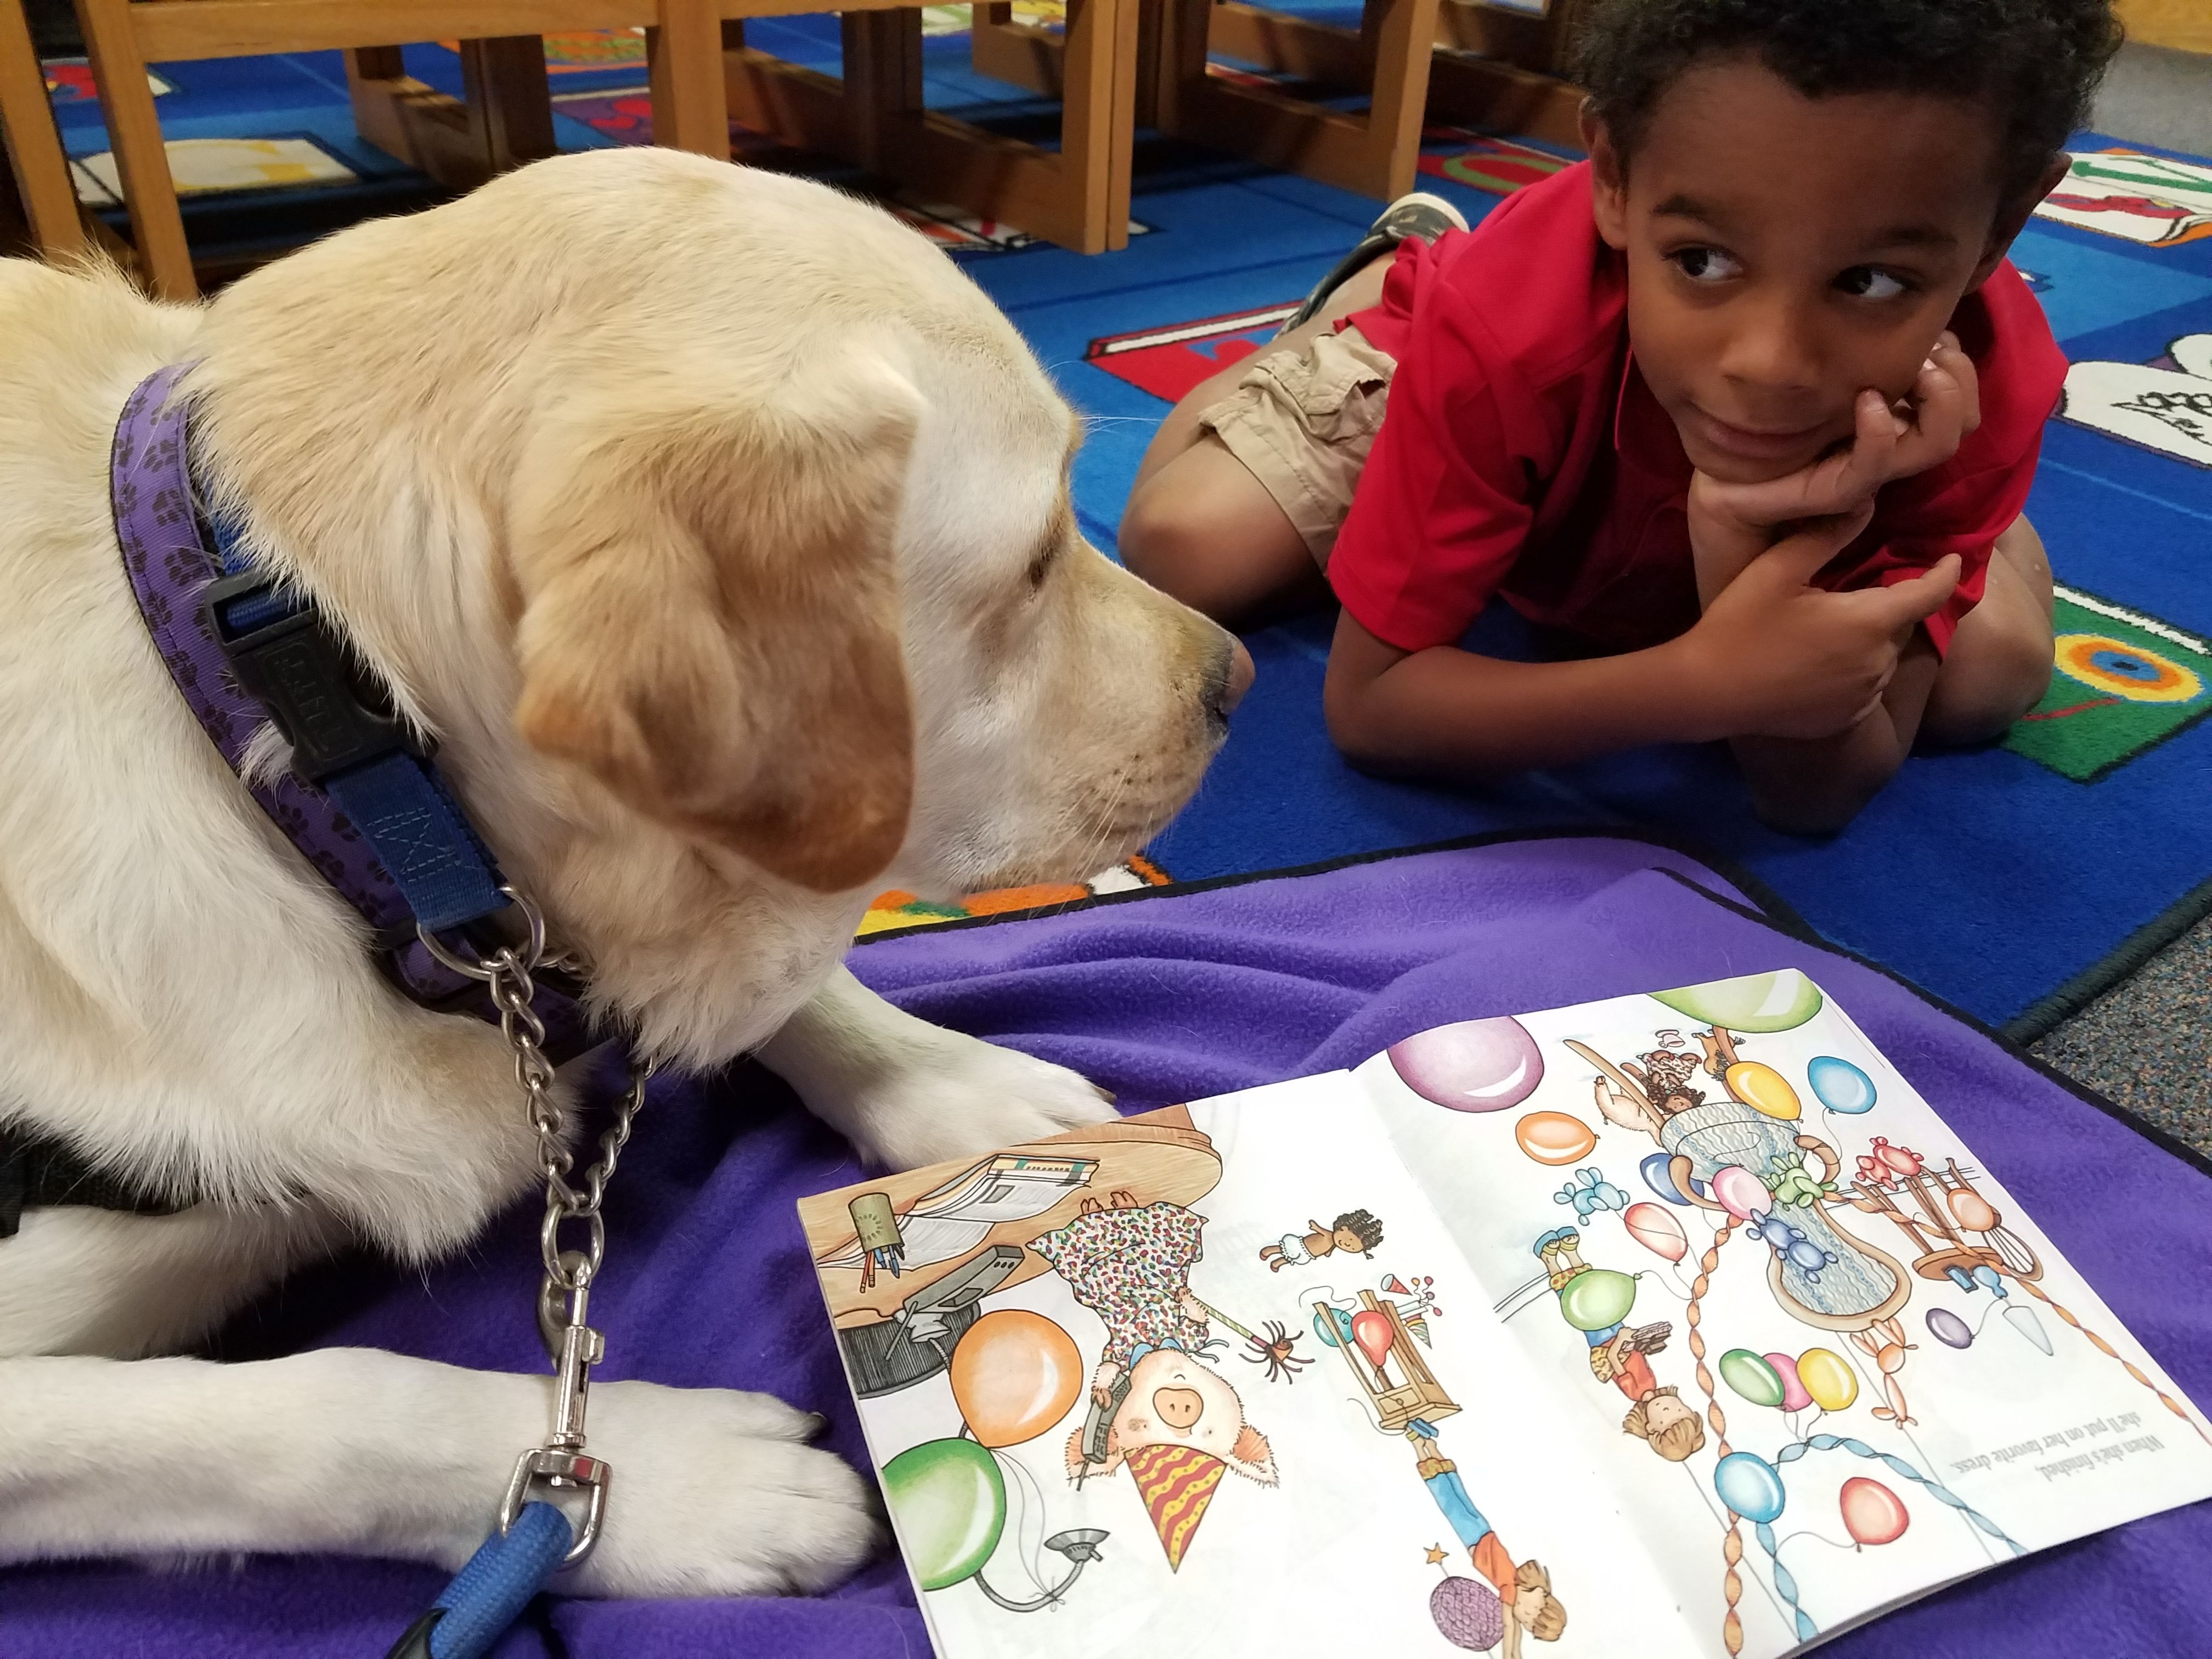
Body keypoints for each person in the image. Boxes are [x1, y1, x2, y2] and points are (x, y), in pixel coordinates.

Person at [1119, 0, 2120, 832]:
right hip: (1469, 356)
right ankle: (1375, 290)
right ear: (1611, 176)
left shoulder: (1980, 388)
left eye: (1870, 279)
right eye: (1702, 259)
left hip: (1764, 454)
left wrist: (1746, 545)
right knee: (1187, 547)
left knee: (1989, 681)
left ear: (2004, 226)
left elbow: (1815, 798)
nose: (1767, 366)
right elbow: (1373, 708)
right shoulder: (1507, 327)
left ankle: (1977, 531)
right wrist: (1706, 682)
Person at [1409, 1419, 1569, 1654]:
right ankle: (1417, 1444)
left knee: (1457, 1493)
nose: (1522, 1622)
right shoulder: (1511, 1591)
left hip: (1484, 1534)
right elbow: (1509, 1628)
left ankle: (1429, 1445)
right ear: (1537, 1608)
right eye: (1528, 1621)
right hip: (1475, 1539)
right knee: (1447, 1498)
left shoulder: (1515, 1587)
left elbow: (1512, 1630)